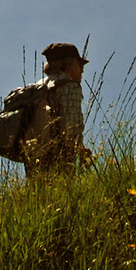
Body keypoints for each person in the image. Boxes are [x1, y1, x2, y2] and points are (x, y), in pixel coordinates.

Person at [19, 42, 91, 177]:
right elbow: (71, 128)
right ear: (69, 65)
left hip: (33, 153)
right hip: (60, 155)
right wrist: (80, 151)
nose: (82, 70)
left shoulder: (39, 87)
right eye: (80, 65)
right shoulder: (70, 86)